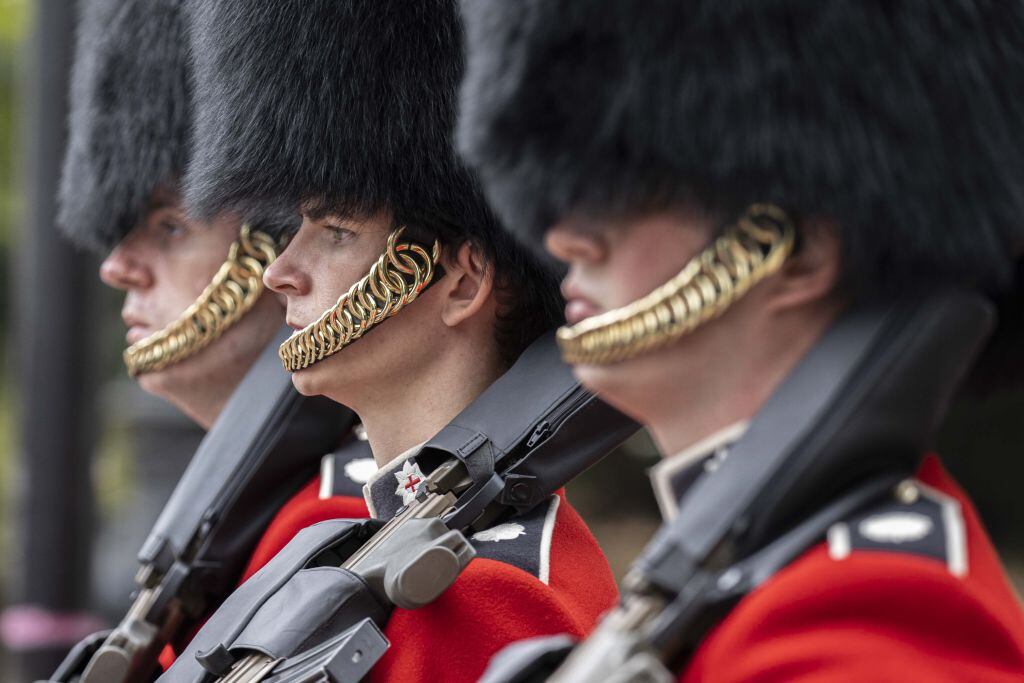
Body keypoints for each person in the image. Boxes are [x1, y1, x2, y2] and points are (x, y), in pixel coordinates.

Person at [457, 0, 1024, 680]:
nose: (561, 237)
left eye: (632, 187)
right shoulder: (739, 587)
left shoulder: (863, 626)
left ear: (798, 253)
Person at [160, 1, 620, 679]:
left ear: (462, 282)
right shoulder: (356, 546)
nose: (281, 272)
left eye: (336, 232)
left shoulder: (490, 594)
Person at [56, 0, 369, 654]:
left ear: (273, 244)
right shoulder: (241, 522)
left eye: (170, 227)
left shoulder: (343, 528)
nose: (115, 267)